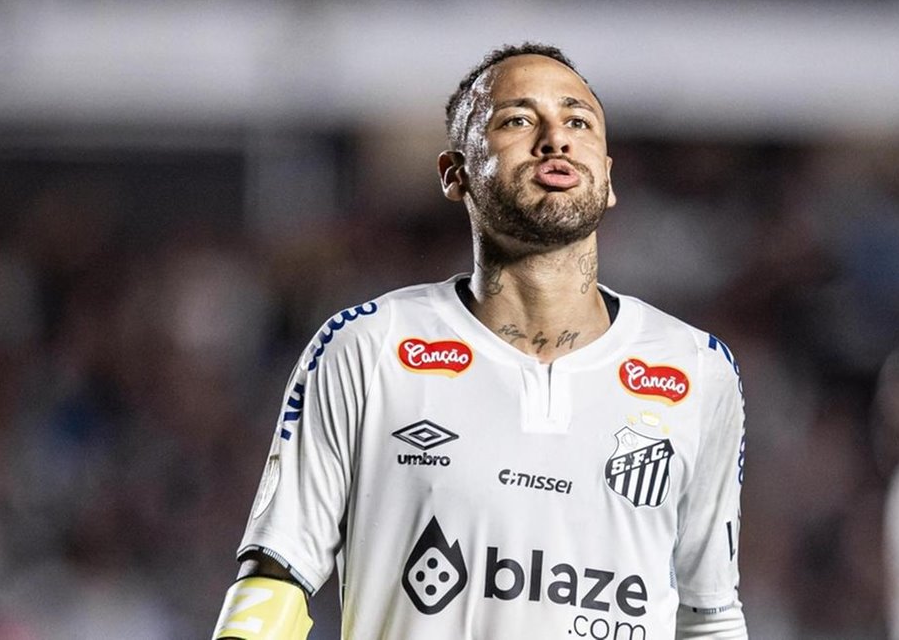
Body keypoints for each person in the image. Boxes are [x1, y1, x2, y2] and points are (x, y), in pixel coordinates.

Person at [212, 42, 749, 639]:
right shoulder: (370, 347)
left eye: (578, 122)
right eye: (518, 120)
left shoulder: (697, 370)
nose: (555, 139)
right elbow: (278, 575)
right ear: (455, 174)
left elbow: (710, 615)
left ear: (608, 178)